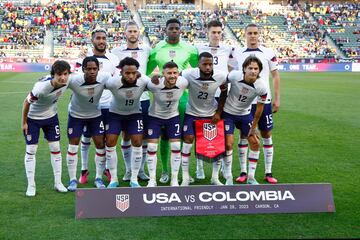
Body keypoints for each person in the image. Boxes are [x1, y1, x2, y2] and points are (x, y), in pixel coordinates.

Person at [146, 18, 198, 184]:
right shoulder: (157, 49)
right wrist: (154, 78)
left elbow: (197, 72)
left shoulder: (190, 49)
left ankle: (183, 174)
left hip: (182, 97)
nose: (174, 31)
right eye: (171, 28)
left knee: (182, 137)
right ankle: (165, 171)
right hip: (161, 97)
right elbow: (146, 73)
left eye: (177, 28)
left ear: (180, 30)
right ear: (165, 30)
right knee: (164, 137)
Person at [232, 23, 281, 184]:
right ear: (244, 34)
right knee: (244, 136)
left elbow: (275, 75)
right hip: (244, 102)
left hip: (264, 100)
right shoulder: (237, 53)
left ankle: (268, 172)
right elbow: (231, 73)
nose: (252, 36)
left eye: (255, 33)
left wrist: (277, 98)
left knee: (266, 134)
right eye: (250, 33)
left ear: (259, 34)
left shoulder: (268, 52)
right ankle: (244, 172)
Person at [74, 28, 120, 185]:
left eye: (104, 38)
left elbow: (117, 81)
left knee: (106, 140)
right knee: (86, 138)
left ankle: (106, 168)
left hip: (108, 106)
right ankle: (84, 169)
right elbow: (76, 79)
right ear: (92, 40)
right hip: (89, 107)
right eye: (98, 38)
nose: (101, 41)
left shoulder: (114, 59)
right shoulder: (84, 59)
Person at [22, 60, 71, 197]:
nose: (63, 77)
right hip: (33, 119)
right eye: (59, 74)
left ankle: (58, 182)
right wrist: (24, 122)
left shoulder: (67, 81)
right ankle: (31, 185)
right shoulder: (40, 88)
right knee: (31, 150)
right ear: (53, 75)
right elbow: (26, 103)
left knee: (56, 148)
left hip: (51, 118)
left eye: (65, 74)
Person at [111, 21, 151, 182]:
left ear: (138, 34)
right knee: (126, 136)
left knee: (144, 138)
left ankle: (140, 170)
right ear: (125, 33)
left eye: (135, 31)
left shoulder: (147, 50)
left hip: (143, 98)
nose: (133, 34)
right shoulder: (116, 51)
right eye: (130, 31)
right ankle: (128, 170)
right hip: (124, 98)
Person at [195, 19, 234, 180]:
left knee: (221, 135)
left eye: (219, 32)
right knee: (201, 132)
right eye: (213, 32)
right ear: (207, 33)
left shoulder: (228, 49)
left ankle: (224, 169)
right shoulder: (199, 48)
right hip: (204, 95)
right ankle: (199, 167)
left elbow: (233, 67)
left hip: (223, 95)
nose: (216, 35)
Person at [180, 52, 227, 186]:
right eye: (205, 64)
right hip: (192, 113)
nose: (208, 67)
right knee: (188, 140)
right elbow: (174, 77)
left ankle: (214, 177)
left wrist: (218, 112)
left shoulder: (220, 76)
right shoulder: (188, 73)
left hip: (210, 114)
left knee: (215, 146)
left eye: (210, 64)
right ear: (198, 65)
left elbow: (224, 92)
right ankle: (185, 177)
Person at [66, 56, 111, 191]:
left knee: (100, 145)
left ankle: (98, 178)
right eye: (89, 69)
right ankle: (73, 179)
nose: (92, 72)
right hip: (76, 116)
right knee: (73, 146)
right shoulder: (74, 80)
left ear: (98, 69)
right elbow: (57, 81)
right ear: (83, 69)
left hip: (95, 116)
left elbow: (121, 80)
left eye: (94, 69)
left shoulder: (105, 77)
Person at [105, 57, 150, 188]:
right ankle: (114, 179)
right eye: (127, 73)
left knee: (137, 142)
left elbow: (157, 85)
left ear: (137, 72)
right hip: (115, 115)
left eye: (133, 73)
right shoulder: (112, 82)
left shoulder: (143, 80)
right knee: (110, 142)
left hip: (134, 115)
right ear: (121, 73)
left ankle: (134, 178)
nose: (131, 76)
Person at [223, 56, 267, 185]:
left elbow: (259, 108)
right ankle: (228, 176)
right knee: (228, 144)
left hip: (245, 114)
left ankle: (251, 177)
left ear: (259, 71)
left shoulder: (261, 86)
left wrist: (253, 127)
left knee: (254, 142)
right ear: (244, 69)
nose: (253, 71)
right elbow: (222, 83)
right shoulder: (234, 76)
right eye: (250, 68)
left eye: (256, 69)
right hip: (228, 113)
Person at [145, 61, 188, 187]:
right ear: (163, 74)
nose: (172, 76)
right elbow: (140, 81)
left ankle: (174, 179)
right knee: (152, 147)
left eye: (175, 73)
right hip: (155, 117)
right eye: (169, 73)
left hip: (172, 117)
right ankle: (152, 180)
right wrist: (153, 77)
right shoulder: (154, 85)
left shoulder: (183, 82)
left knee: (175, 146)